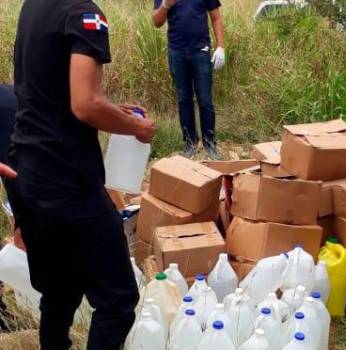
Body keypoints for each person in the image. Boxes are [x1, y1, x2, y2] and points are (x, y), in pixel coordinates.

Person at [6, 0, 156, 349]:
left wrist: (113, 111)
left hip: (27, 173)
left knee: (60, 290)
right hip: (66, 180)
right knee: (117, 300)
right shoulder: (85, 15)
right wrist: (136, 126)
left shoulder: (34, 7)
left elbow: (46, 89)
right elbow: (84, 103)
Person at [153, 0, 226, 159]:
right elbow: (157, 22)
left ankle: (210, 144)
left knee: (205, 99)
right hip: (177, 53)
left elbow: (216, 17)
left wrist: (221, 46)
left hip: (200, 51)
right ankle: (190, 144)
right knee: (184, 99)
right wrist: (166, 4)